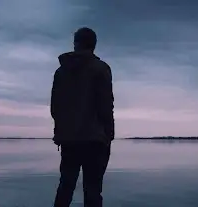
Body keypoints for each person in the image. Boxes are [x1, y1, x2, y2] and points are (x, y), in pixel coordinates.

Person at [51, 27, 114, 207]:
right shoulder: (101, 69)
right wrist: (109, 134)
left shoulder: (61, 71)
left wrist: (60, 130)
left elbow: (55, 107)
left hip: (69, 138)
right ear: (94, 45)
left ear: (75, 44)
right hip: (95, 140)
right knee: (93, 190)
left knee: (65, 186)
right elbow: (106, 105)